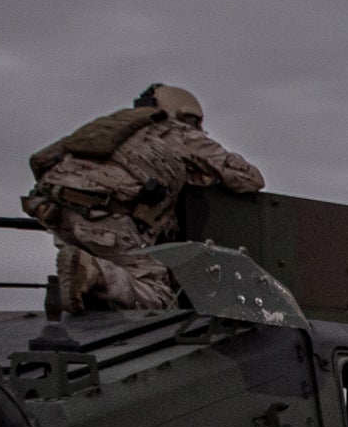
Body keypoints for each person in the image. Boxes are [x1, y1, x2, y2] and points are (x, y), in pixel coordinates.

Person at [22, 84, 265, 311]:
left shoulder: (107, 127)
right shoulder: (178, 133)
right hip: (105, 218)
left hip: (53, 212)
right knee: (159, 295)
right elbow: (249, 178)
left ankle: (77, 286)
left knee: (106, 272)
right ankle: (94, 271)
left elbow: (39, 160)